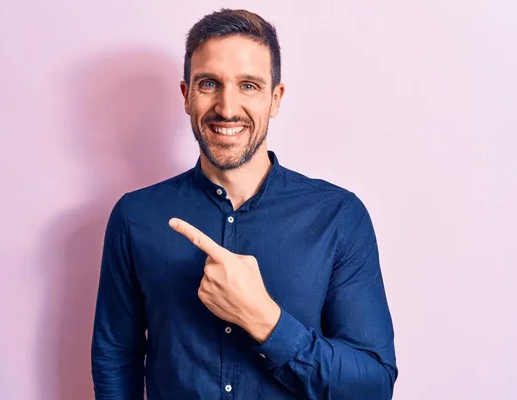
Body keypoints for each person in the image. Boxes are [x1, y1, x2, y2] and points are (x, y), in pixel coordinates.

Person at [91, 8, 398, 400]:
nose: (227, 108)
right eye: (209, 84)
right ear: (186, 96)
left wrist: (265, 320)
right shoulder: (135, 218)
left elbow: (373, 386)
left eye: (249, 85)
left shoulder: (338, 217)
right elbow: (115, 357)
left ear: (275, 98)